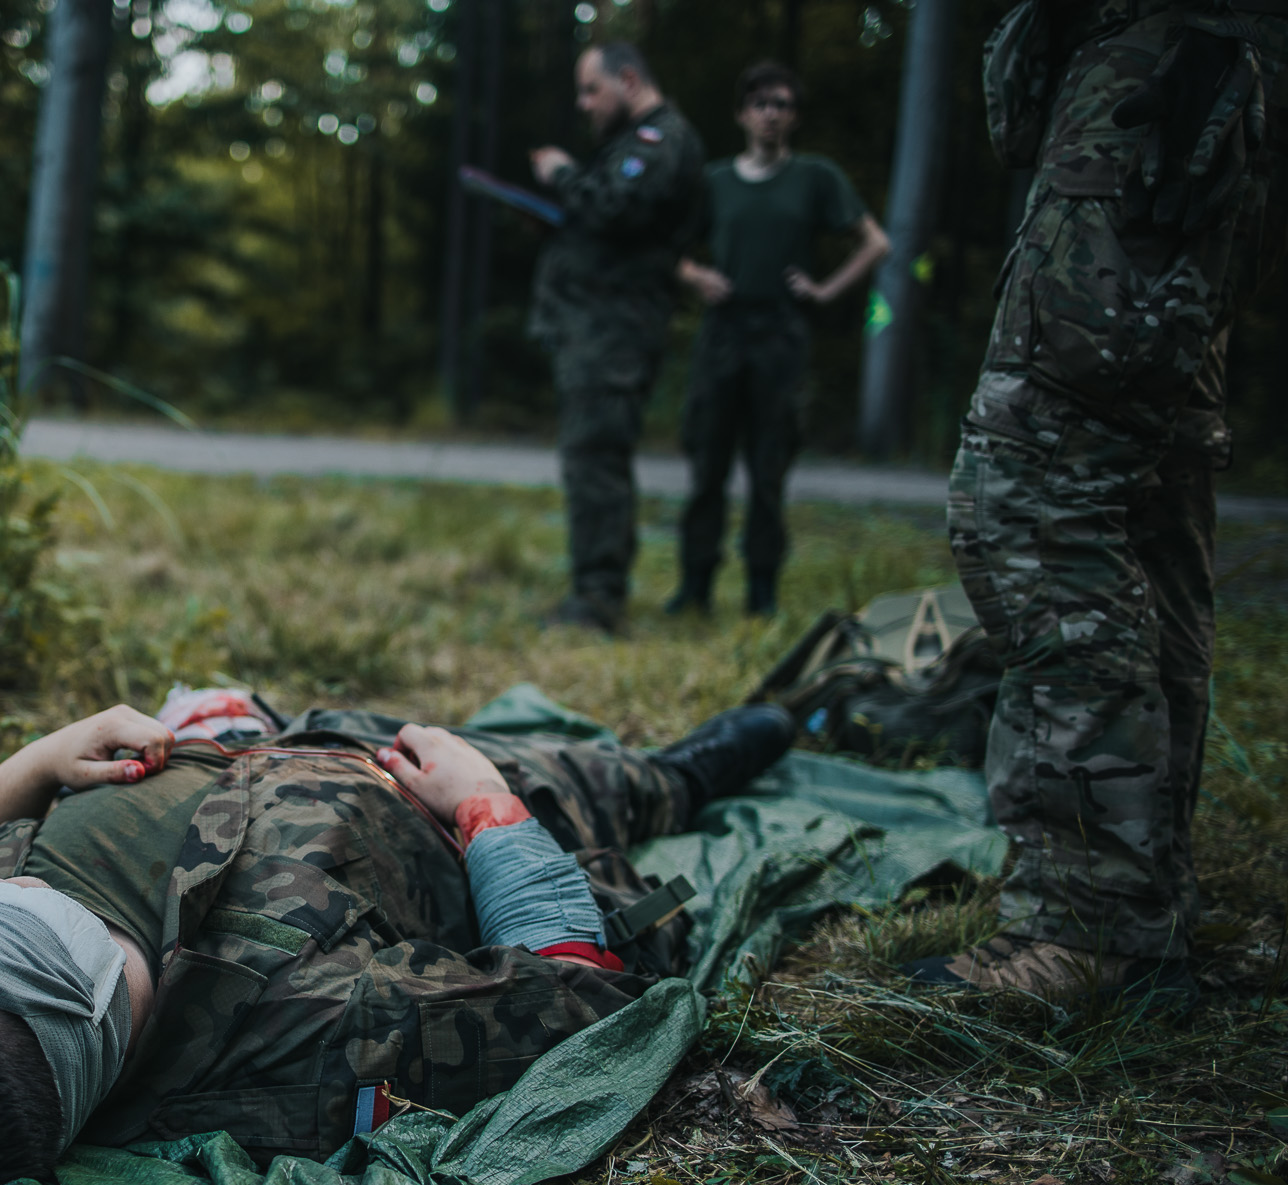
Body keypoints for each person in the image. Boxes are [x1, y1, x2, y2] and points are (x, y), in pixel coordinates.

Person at [0, 694, 797, 1185]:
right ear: (74, 994)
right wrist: (489, 807)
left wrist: (47, 755)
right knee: (630, 779)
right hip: (427, 795)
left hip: (261, 735)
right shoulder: (318, 1026)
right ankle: (685, 770)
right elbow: (583, 1002)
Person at [906, 3, 1285, 1004]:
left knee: (1034, 489)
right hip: (1193, 78)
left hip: (1163, 72)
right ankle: (1141, 898)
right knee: (1144, 499)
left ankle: (1091, 924)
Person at [671, 62, 889, 617]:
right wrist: (697, 277)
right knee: (707, 465)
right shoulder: (715, 181)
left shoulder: (814, 177)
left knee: (769, 469)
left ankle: (761, 591)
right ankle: (695, 585)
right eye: (761, 103)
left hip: (780, 335)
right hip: (723, 332)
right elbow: (669, 249)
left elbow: (875, 243)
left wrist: (824, 290)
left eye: (783, 104)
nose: (771, 114)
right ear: (742, 113)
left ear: (794, 117)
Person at [527, 42, 706, 634]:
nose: (584, 104)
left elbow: (614, 209)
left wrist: (562, 173)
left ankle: (598, 601)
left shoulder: (659, 140)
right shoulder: (637, 142)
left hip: (615, 333)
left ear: (628, 80)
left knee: (597, 458)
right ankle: (595, 590)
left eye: (592, 89)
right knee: (590, 456)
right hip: (598, 329)